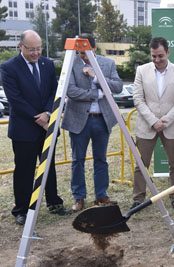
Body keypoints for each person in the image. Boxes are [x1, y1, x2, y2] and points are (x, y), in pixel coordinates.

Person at [1, 30, 71, 225]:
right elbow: (15, 99)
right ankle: (21, 210)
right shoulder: (8, 68)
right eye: (31, 49)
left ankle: (54, 203)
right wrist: (37, 117)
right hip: (24, 130)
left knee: (48, 166)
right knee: (24, 170)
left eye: (38, 49)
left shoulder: (47, 64)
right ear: (20, 47)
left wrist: (48, 113)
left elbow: (55, 90)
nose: (35, 53)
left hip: (47, 125)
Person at [61, 33, 123, 212]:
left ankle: (101, 195)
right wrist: (97, 94)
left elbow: (118, 87)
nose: (84, 56)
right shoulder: (71, 64)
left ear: (94, 48)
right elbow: (71, 91)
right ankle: (79, 197)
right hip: (79, 120)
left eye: (86, 52)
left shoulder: (107, 63)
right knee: (77, 160)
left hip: (101, 120)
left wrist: (96, 77)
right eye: (80, 53)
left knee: (101, 159)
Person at [131, 37, 174, 211]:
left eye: (160, 56)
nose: (157, 60)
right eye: (154, 56)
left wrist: (166, 120)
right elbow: (138, 99)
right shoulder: (141, 70)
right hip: (146, 126)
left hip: (171, 127)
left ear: (168, 52)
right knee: (141, 164)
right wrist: (153, 121)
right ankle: (138, 199)